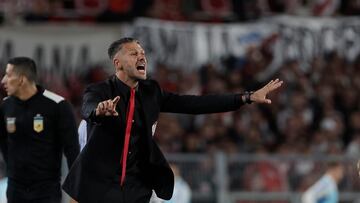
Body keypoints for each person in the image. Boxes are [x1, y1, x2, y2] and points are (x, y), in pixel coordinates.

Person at [62, 37, 283, 203]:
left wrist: (245, 97)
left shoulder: (152, 92)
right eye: (133, 53)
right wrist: (100, 110)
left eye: (143, 53)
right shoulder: (100, 90)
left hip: (136, 187)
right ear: (117, 63)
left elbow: (195, 104)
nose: (142, 57)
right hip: (99, 186)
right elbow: (88, 107)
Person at [0, 57, 80, 203]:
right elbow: (4, 144)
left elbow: (72, 150)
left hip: (46, 191)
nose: (3, 80)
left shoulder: (58, 105)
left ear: (22, 80)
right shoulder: (6, 106)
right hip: (15, 190)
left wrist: (77, 192)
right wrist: (12, 171)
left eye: (9, 75)